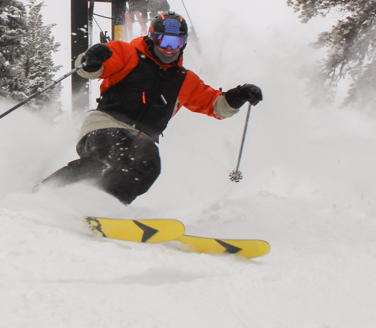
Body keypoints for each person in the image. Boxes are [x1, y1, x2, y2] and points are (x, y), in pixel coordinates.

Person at [42, 12, 263, 204]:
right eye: (163, 41)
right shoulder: (128, 54)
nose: (168, 49)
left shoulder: (185, 80)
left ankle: (104, 205)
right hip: (106, 123)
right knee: (109, 155)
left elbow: (216, 106)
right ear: (151, 38)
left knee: (148, 164)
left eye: (175, 43)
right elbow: (89, 69)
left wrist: (240, 95)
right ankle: (47, 192)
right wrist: (93, 59)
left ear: (183, 44)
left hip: (143, 136)